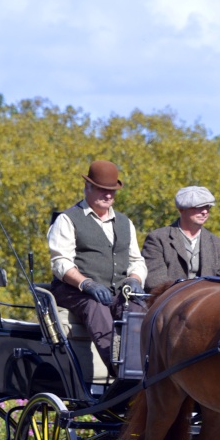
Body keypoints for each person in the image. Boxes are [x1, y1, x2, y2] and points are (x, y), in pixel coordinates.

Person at [48, 160, 147, 376]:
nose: (108, 195)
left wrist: (134, 279)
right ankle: (118, 371)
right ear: (87, 187)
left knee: (138, 310)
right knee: (97, 308)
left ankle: (144, 371)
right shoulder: (68, 219)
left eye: (112, 191)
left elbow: (136, 260)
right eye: (102, 190)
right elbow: (60, 262)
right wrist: (86, 283)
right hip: (74, 291)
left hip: (117, 290)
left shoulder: (124, 222)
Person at [142, 185, 220, 292]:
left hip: (207, 303)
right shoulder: (158, 238)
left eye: (207, 207)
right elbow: (155, 281)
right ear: (181, 210)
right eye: (198, 207)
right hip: (169, 303)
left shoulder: (216, 243)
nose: (204, 212)